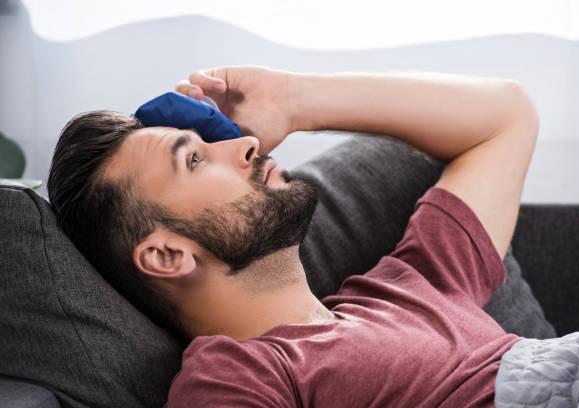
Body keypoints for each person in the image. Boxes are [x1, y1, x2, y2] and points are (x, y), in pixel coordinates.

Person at [48, 66, 538, 406]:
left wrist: (292, 99)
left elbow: (507, 116)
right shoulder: (243, 376)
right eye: (194, 159)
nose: (246, 144)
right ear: (166, 254)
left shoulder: (415, 285)